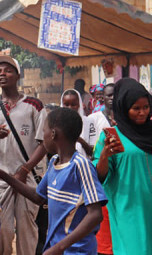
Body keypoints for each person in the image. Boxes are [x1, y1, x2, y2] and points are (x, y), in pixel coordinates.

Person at [0, 107, 107, 254]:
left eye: (44, 132)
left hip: (76, 250)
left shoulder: (81, 166)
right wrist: (1, 174)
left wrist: (60, 247)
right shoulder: (55, 162)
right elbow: (38, 197)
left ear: (53, 134)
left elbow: (95, 215)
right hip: (56, 248)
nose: (43, 137)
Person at [0, 56, 47, 255]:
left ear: (18, 75)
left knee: (27, 231)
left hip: (27, 179)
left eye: (7, 70)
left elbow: (44, 144)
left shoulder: (34, 105)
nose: (2, 74)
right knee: (2, 231)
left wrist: (25, 169)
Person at [93, 78, 152, 254]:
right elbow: (100, 176)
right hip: (129, 209)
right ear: (124, 108)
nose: (142, 113)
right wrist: (104, 155)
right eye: (136, 108)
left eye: (146, 107)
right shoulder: (111, 137)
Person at [86, 83, 114, 255]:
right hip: (101, 169)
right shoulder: (95, 117)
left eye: (113, 95)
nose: (109, 98)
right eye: (106, 95)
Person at [60, 89, 97, 158]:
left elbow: (94, 152)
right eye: (66, 105)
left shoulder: (89, 122)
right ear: (62, 105)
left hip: (84, 165)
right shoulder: (57, 123)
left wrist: (80, 140)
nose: (70, 108)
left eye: (73, 105)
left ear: (79, 104)